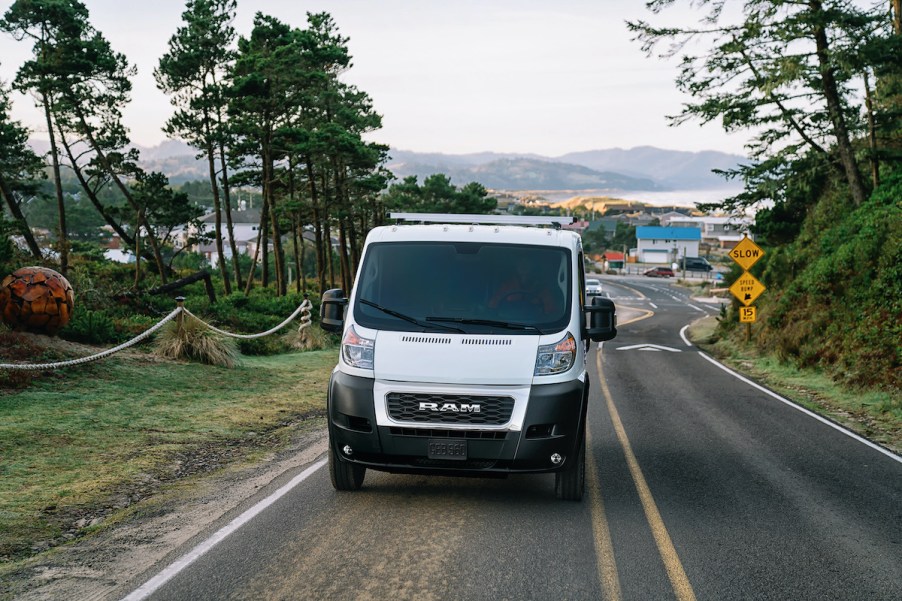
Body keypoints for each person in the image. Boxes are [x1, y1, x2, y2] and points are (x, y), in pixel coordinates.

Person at [488, 256, 560, 315]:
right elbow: (493, 306)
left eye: (527, 263)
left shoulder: (541, 288)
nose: (523, 265)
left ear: (533, 266)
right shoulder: (506, 285)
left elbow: (550, 311)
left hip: (534, 324)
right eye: (520, 262)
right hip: (508, 321)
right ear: (516, 265)